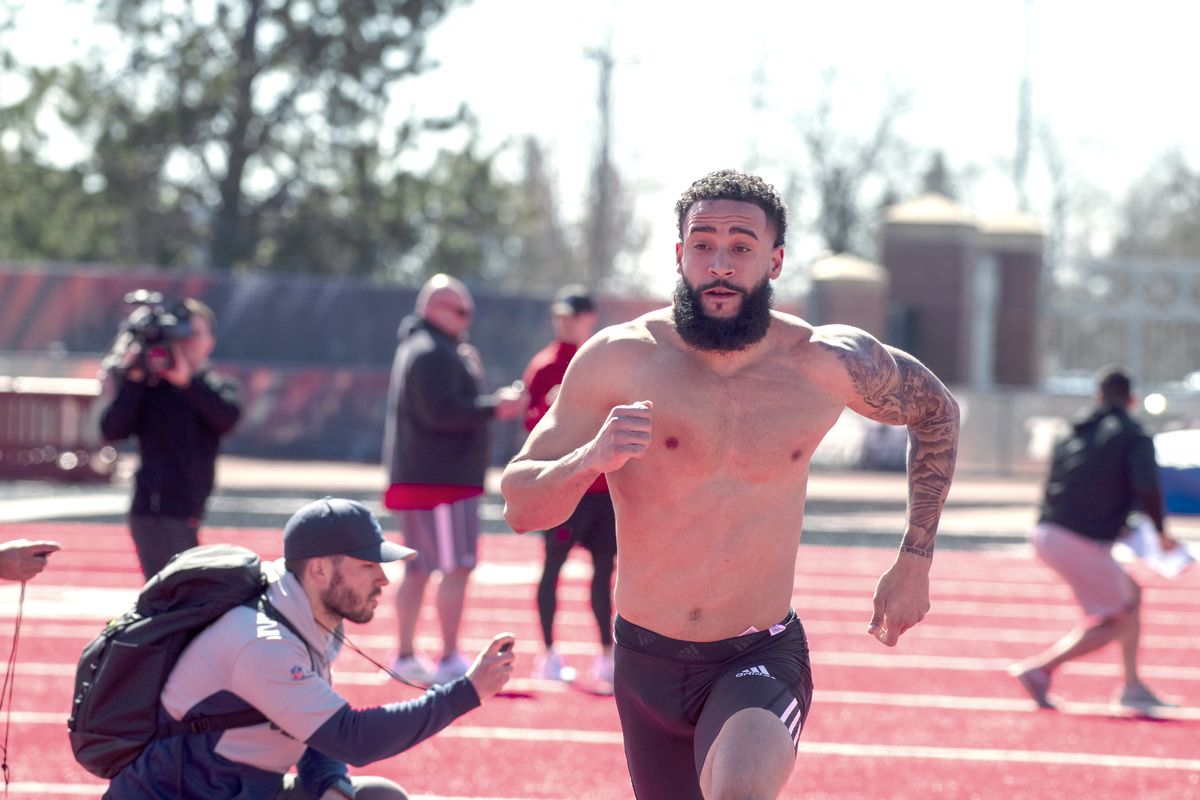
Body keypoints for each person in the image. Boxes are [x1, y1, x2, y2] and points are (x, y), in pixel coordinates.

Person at [501, 169, 960, 800]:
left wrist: (915, 557)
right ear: (679, 253)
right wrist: (590, 458)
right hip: (645, 660)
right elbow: (521, 505)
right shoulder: (619, 358)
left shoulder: (826, 362)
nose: (720, 262)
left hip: (759, 655)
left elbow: (936, 410)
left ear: (773, 261)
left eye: (741, 246)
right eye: (704, 244)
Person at [105, 497, 516, 799]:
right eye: (368, 565)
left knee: (375, 798)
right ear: (319, 569)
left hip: (237, 789)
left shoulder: (308, 616)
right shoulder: (262, 642)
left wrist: (331, 785)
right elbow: (351, 738)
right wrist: (466, 691)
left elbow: (317, 736)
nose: (383, 580)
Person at [1009, 367, 1180, 712]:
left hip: (1047, 529)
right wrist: (1161, 533)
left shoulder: (1072, 431)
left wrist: (1118, 523)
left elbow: (1079, 485)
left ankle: (1131, 684)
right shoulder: (1133, 436)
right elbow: (1147, 489)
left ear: (1097, 396)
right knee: (1121, 617)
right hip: (1078, 537)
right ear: (1132, 401)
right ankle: (1041, 669)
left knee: (1131, 593)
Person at [382, 274, 524, 686]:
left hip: (423, 478)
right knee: (454, 567)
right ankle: (446, 657)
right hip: (440, 482)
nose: (467, 320)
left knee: (419, 569)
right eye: (460, 311)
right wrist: (493, 408)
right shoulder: (432, 352)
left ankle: (408, 654)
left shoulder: (425, 347)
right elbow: (440, 413)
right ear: (433, 309)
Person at [99, 298, 241, 579]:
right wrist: (134, 379)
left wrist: (187, 382)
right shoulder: (150, 388)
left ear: (210, 341)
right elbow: (112, 429)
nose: (187, 341)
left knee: (184, 593)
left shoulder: (215, 386)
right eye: (183, 333)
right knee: (176, 594)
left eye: (195, 333)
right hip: (152, 509)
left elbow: (226, 418)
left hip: (188, 508)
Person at [520, 286, 616, 687]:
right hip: (563, 490)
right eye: (559, 316)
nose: (564, 323)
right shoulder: (543, 366)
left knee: (604, 573)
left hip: (603, 491)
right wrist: (551, 410)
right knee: (552, 569)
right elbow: (529, 426)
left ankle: (607, 657)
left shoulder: (604, 360)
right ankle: (548, 653)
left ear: (589, 317)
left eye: (571, 316)